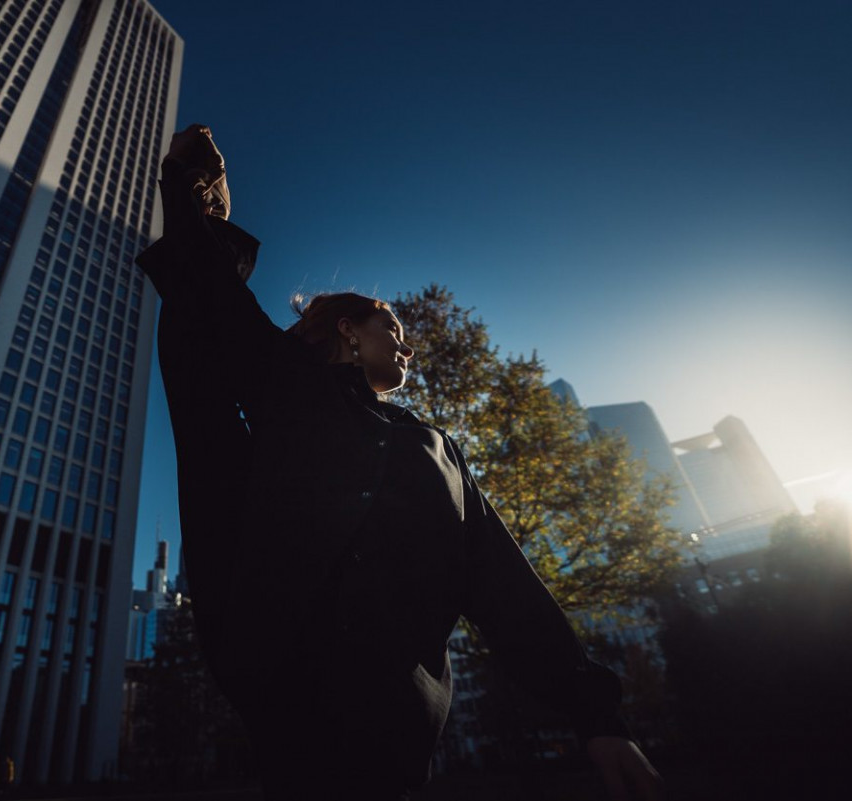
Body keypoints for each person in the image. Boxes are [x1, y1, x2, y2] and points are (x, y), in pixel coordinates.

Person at [136, 124, 666, 801]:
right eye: (393, 328)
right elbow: (211, 313)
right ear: (348, 333)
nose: (408, 348)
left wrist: (597, 717)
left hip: (406, 741)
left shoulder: (439, 450)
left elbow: (504, 584)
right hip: (295, 719)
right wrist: (199, 208)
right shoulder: (286, 390)